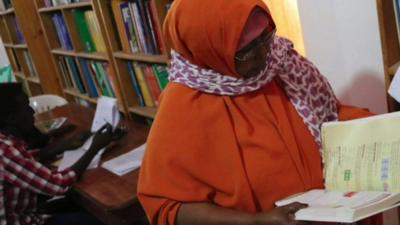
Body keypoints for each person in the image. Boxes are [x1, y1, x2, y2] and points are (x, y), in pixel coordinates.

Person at [137, 0, 382, 225]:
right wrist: (254, 222)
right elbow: (167, 207)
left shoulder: (283, 63)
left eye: (266, 37)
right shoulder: (183, 107)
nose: (265, 53)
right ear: (210, 50)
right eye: (248, 49)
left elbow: (329, 115)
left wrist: (380, 132)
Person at [0, 83, 122, 225]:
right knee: (99, 219)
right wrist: (94, 148)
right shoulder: (6, 152)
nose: (32, 111)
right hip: (24, 220)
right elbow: (59, 184)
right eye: (26, 106)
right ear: (11, 118)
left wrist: (60, 147)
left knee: (77, 204)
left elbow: (21, 162)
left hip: (24, 210)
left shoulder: (6, 142)